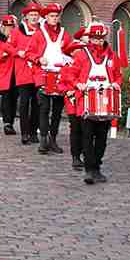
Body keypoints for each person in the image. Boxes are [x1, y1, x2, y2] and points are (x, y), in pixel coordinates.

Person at [61, 22, 123, 184]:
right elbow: (70, 74)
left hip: (106, 100)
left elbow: (118, 75)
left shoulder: (112, 56)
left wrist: (116, 83)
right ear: (90, 39)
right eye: (95, 38)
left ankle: (97, 166)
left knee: (102, 137)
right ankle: (89, 169)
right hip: (86, 100)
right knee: (87, 136)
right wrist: (78, 84)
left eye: (101, 39)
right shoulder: (82, 55)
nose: (98, 41)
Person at [27, 4, 73, 154]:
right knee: (44, 109)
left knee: (57, 111)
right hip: (43, 75)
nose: (54, 18)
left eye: (56, 16)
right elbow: (29, 53)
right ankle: (43, 140)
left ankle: (53, 139)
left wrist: (68, 54)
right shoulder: (39, 34)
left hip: (61, 76)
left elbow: (71, 52)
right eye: (52, 16)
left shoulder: (65, 34)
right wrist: (39, 59)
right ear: (46, 17)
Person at [0, 15, 19, 135]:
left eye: (11, 26)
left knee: (14, 98)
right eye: (7, 26)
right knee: (6, 97)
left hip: (15, 72)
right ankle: (7, 123)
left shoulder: (16, 38)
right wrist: (3, 54)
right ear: (2, 26)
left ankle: (11, 121)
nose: (9, 29)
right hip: (3, 73)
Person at [16, 3, 43, 144]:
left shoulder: (43, 31)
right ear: (26, 16)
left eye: (36, 15)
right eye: (31, 15)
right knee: (24, 103)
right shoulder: (18, 31)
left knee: (37, 103)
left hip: (38, 71)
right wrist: (17, 52)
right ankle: (25, 133)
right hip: (23, 71)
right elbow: (8, 46)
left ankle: (33, 132)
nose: (33, 17)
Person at [59, 33, 87, 170]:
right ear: (71, 52)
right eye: (77, 50)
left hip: (85, 100)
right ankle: (75, 156)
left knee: (86, 129)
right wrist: (67, 91)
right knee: (75, 128)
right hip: (72, 102)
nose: (80, 52)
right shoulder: (66, 66)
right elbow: (61, 84)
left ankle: (85, 154)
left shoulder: (87, 65)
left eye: (82, 49)